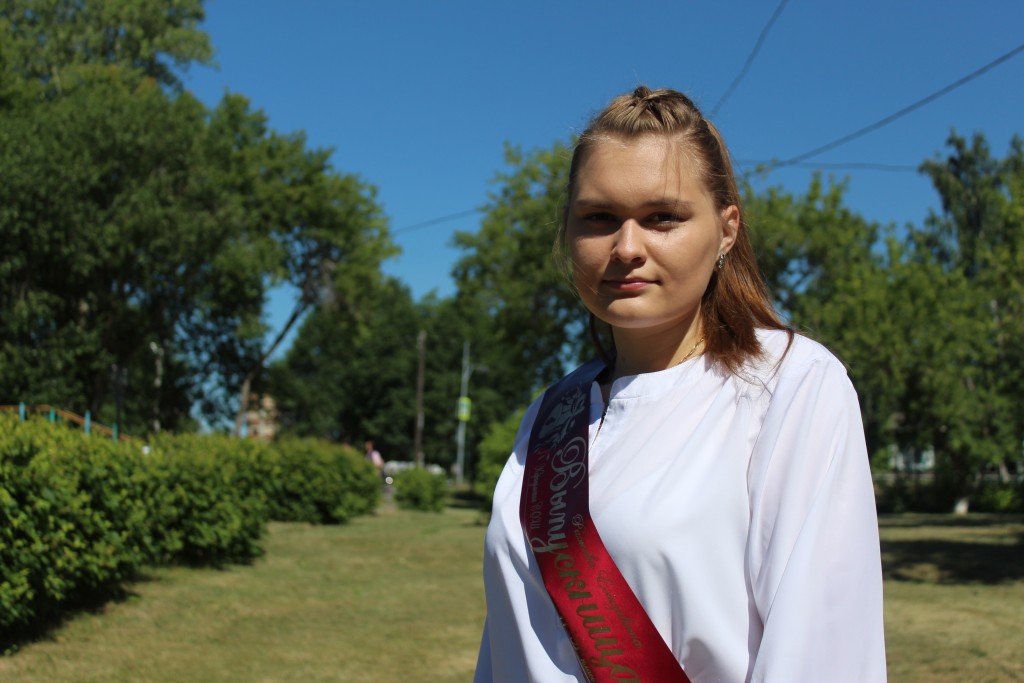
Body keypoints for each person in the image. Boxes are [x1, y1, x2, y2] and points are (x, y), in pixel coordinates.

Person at [473, 87, 886, 683]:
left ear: (726, 230)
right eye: (599, 218)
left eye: (662, 217)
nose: (627, 248)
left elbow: (821, 653)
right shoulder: (550, 413)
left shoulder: (791, 384)